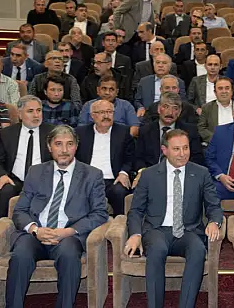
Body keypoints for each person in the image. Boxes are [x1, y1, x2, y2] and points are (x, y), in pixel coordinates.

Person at [5, 125, 109, 308]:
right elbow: (19, 210)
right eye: (58, 144)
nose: (64, 150)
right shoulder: (36, 172)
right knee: (20, 255)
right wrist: (35, 230)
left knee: (69, 256)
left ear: (76, 146)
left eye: (69, 144)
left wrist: (68, 231)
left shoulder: (92, 175)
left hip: (68, 235)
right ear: (49, 147)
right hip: (36, 233)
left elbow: (100, 213)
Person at [124, 128, 222, 308]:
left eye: (186, 148)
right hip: (157, 230)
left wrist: (214, 222)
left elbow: (213, 205)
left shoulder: (201, 173)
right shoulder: (149, 175)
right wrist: (135, 234)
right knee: (156, 250)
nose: (182, 153)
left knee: (198, 251)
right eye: (176, 149)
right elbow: (136, 210)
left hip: (189, 230)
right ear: (165, 150)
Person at [0, 96, 53, 225]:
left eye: (39, 110)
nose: (36, 115)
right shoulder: (8, 133)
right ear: (19, 114)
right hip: (15, 180)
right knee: (3, 190)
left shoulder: (52, 132)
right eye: (30, 111)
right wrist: (2, 175)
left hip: (43, 180)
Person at [75, 99, 135, 215]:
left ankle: (119, 222)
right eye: (102, 112)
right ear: (92, 116)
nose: (106, 116)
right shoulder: (80, 133)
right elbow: (75, 158)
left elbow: (130, 157)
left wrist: (124, 173)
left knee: (120, 191)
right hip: (88, 179)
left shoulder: (123, 132)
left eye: (109, 112)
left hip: (114, 179)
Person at [134, 92, 204, 174]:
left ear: (179, 112)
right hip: (151, 174)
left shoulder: (190, 131)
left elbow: (197, 158)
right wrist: (143, 171)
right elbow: (138, 158)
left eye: (175, 108)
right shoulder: (145, 131)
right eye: (166, 107)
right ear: (158, 109)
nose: (170, 112)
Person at [197, 77, 234, 143]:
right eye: (220, 88)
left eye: (227, 88)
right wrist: (216, 139)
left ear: (232, 91)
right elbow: (201, 128)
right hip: (215, 144)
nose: (224, 91)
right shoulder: (207, 108)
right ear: (215, 92)